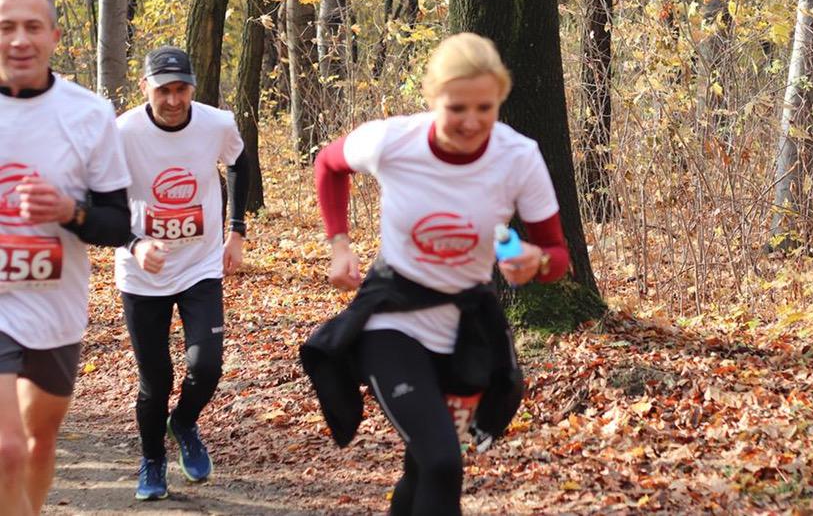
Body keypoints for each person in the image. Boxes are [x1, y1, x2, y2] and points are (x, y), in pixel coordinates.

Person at [303, 33, 570, 515]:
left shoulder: (518, 156)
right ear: (432, 98)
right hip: (392, 319)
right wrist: (338, 243)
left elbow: (556, 255)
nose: (471, 122)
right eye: (456, 108)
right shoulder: (393, 141)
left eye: (485, 108)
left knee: (423, 466)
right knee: (444, 461)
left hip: (465, 328)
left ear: (501, 98)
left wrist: (537, 261)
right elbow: (329, 164)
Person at [0, 0, 132, 516]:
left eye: (32, 27)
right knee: (6, 448)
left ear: (54, 37)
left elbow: (118, 224)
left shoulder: (89, 114)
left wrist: (67, 212)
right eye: (6, 27)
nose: (19, 40)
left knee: (37, 444)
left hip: (56, 304)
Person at [114, 46, 249, 500]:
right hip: (142, 273)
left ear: (192, 87)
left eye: (181, 89)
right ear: (145, 88)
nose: (173, 100)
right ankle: (152, 460)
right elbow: (102, 199)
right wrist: (134, 243)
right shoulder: (123, 133)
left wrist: (237, 231)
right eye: (163, 91)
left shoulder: (217, 124)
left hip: (200, 265)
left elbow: (239, 161)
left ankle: (185, 422)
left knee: (206, 365)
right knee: (156, 382)